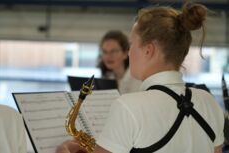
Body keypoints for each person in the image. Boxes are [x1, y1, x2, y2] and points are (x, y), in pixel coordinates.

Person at [56, 2, 224, 153]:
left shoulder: (128, 106)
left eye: (131, 45)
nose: (129, 52)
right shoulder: (209, 101)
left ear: (148, 50)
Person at [98, 30, 141, 94]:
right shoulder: (107, 77)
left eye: (113, 51)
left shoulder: (137, 79)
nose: (108, 56)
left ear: (125, 53)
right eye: (105, 52)